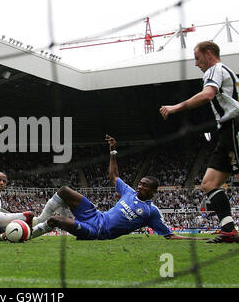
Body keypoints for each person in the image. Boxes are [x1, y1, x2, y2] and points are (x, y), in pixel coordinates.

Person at [30, 135, 208, 241]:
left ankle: (27, 235)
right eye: (140, 183)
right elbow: (113, 176)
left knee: (56, 220)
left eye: (145, 186)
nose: (140, 186)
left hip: (97, 232)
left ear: (153, 192)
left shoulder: (150, 212)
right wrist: (113, 151)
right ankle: (38, 221)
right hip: (95, 215)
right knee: (64, 190)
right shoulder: (129, 192)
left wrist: (197, 239)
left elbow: (170, 236)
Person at [159, 41, 239, 243]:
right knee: (209, 183)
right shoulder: (226, 71)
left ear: (209, 54)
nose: (196, 63)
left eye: (197, 58)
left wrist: (175, 107)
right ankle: (229, 230)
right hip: (226, 129)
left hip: (234, 126)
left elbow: (207, 95)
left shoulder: (215, 70)